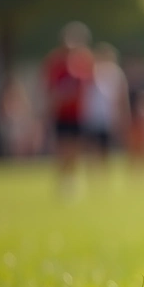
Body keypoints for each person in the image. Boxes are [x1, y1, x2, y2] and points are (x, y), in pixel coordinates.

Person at [43, 22, 94, 193]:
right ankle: (62, 181)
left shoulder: (83, 61)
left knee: (76, 149)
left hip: (78, 113)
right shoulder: (56, 63)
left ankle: (71, 179)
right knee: (63, 148)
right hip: (62, 113)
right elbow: (51, 90)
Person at [81, 43, 128, 165]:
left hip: (108, 117)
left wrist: (122, 117)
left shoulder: (116, 73)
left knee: (105, 148)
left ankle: (102, 171)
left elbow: (121, 97)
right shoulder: (91, 71)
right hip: (91, 115)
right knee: (91, 147)